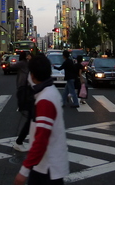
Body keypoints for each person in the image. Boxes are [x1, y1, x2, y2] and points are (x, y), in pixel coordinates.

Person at [14, 54, 69, 185]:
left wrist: (24, 171)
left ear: (32, 75)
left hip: (47, 167)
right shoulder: (50, 91)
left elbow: (41, 138)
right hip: (46, 165)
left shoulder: (45, 99)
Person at [14, 51, 33, 152]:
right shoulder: (27, 63)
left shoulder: (22, 63)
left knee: (31, 119)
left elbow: (12, 66)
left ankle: (20, 141)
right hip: (26, 88)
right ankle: (19, 141)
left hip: (22, 86)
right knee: (31, 119)